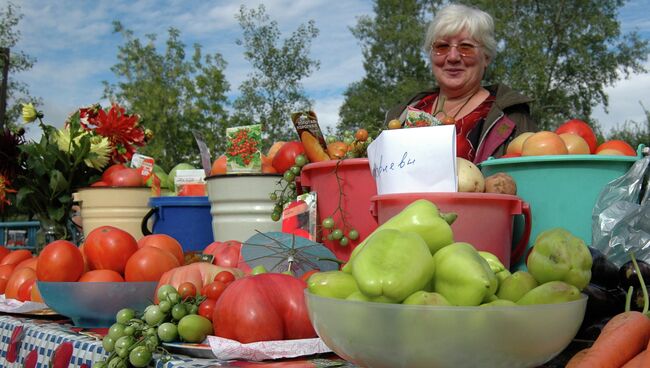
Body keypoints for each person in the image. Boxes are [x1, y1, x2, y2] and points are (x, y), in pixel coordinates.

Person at [385, 4, 537, 163]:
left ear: (486, 57)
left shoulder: (512, 117)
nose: (452, 57)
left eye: (466, 47)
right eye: (442, 46)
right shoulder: (402, 114)